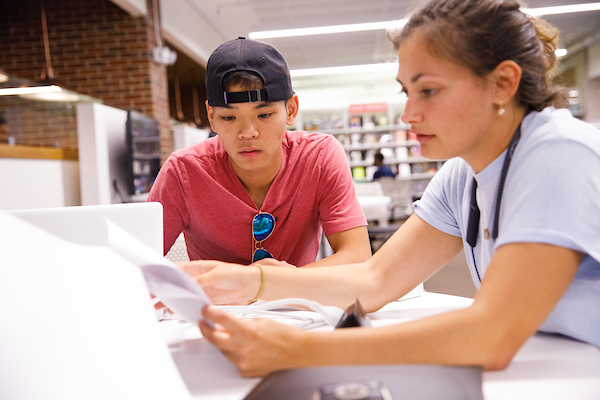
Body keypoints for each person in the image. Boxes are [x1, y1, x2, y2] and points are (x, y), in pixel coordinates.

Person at [181, 0, 600, 377]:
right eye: (407, 91)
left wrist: (303, 350)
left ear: (503, 83)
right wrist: (251, 282)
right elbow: (376, 279)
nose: (408, 114)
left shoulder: (556, 154)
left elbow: (493, 333)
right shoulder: (462, 176)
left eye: (429, 91)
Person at [148, 37, 370, 268]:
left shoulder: (319, 157)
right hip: (215, 305)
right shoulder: (183, 172)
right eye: (228, 117)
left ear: (291, 110)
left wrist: (265, 281)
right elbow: (131, 264)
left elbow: (358, 257)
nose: (247, 133)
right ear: (211, 117)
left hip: (298, 303)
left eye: (264, 115)